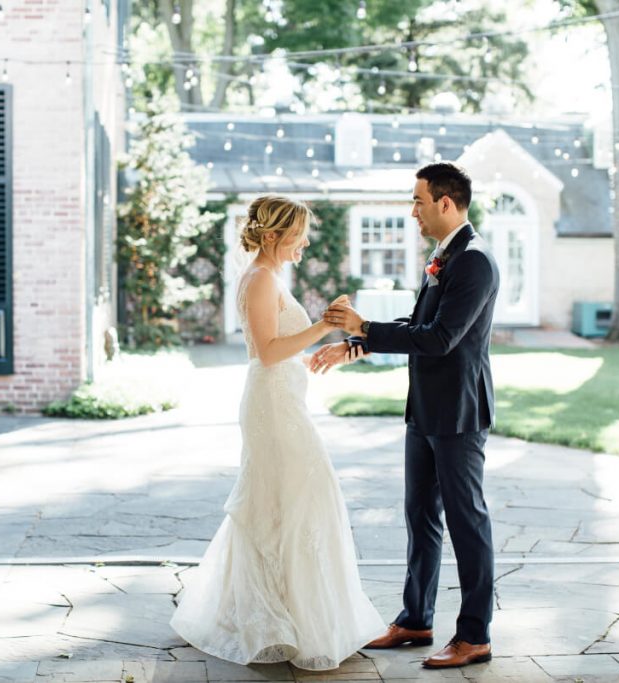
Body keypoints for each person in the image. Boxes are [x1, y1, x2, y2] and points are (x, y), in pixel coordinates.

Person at [170, 194, 385, 670]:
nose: (305, 242)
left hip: (284, 401)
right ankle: (276, 619)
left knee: (286, 503)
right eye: (298, 234)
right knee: (292, 499)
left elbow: (287, 352)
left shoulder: (271, 278)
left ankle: (284, 613)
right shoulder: (260, 279)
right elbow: (267, 353)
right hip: (272, 407)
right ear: (272, 237)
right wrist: (323, 326)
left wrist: (338, 350)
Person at [314, 162, 500, 670]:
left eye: (418, 200)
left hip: (458, 413)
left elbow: (441, 339)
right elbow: (420, 324)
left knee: (467, 523)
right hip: (424, 410)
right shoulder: (443, 257)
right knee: (420, 516)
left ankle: (475, 635)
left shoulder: (475, 261)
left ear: (445, 203)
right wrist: (358, 342)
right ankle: (416, 619)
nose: (412, 210)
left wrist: (368, 326)